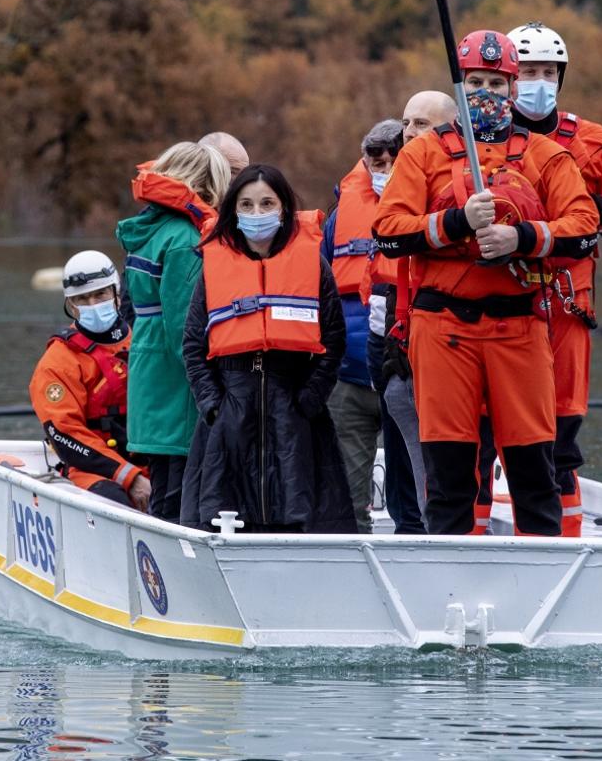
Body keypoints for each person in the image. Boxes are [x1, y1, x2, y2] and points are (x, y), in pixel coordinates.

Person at [373, 29, 600, 537]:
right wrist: (456, 222)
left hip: (520, 328)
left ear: (512, 87)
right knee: (450, 470)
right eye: (475, 82)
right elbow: (387, 232)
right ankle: (451, 566)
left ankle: (543, 565)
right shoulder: (423, 154)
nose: (486, 93)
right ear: (459, 86)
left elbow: (584, 228)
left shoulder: (545, 155)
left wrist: (520, 237)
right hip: (443, 328)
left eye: (496, 84)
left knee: (534, 467)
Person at [503, 21, 602, 536]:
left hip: (565, 301)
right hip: (498, 300)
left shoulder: (592, 143)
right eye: (528, 72)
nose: (538, 83)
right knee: (488, 430)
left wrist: (592, 209)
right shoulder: (480, 141)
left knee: (560, 431)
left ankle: (564, 541)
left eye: (548, 73)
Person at [179, 164, 355, 534]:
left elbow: (333, 340)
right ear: (233, 211)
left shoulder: (314, 266)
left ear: (284, 208)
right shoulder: (213, 269)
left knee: (303, 522)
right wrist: (213, 405)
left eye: (266, 203)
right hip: (229, 417)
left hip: (296, 417)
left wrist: (310, 400)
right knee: (222, 524)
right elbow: (193, 345)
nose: (257, 213)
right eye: (246, 205)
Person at [115, 141, 231, 524]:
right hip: (175, 385)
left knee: (164, 484)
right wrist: (215, 383)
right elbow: (186, 330)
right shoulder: (184, 240)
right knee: (180, 495)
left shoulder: (149, 230)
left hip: (149, 373)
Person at [368, 91, 461, 533]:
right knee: (400, 403)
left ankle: (441, 527)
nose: (409, 132)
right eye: (407, 123)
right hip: (396, 332)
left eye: (421, 123)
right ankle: (418, 526)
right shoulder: (382, 192)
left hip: (453, 332)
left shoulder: (463, 182)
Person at [323, 118, 404, 532]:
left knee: (415, 500)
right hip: (348, 379)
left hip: (406, 378)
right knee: (347, 506)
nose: (384, 168)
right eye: (377, 161)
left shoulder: (431, 208)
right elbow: (319, 289)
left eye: (394, 159)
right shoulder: (339, 218)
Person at [29, 251, 151, 510]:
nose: (93, 304)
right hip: (93, 471)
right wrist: (129, 476)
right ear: (71, 305)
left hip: (153, 461)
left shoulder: (144, 341)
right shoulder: (57, 362)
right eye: (82, 299)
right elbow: (64, 434)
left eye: (100, 294)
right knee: (116, 503)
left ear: (117, 294)